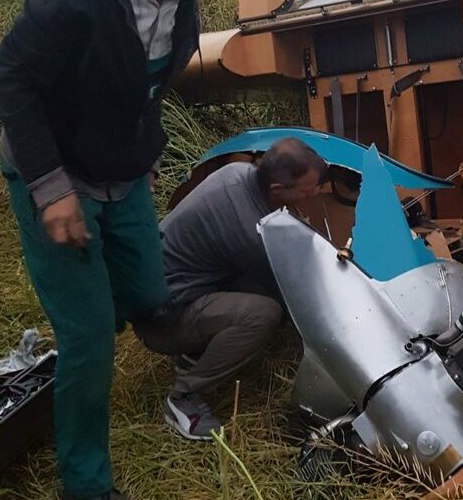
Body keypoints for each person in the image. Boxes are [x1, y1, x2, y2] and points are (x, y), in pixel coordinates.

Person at [0, 0, 246, 500]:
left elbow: (143, 91)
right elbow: (14, 82)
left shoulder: (182, 8)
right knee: (88, 337)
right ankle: (84, 483)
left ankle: (92, 338)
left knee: (149, 294)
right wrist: (52, 191)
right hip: (54, 175)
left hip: (123, 178)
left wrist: (142, 152)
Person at [134, 138, 327, 440]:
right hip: (163, 318)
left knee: (254, 290)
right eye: (309, 189)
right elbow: (294, 293)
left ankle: (197, 351)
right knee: (264, 314)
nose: (316, 192)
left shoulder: (238, 172)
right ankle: (184, 398)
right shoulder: (249, 232)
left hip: (167, 290)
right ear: (278, 190)